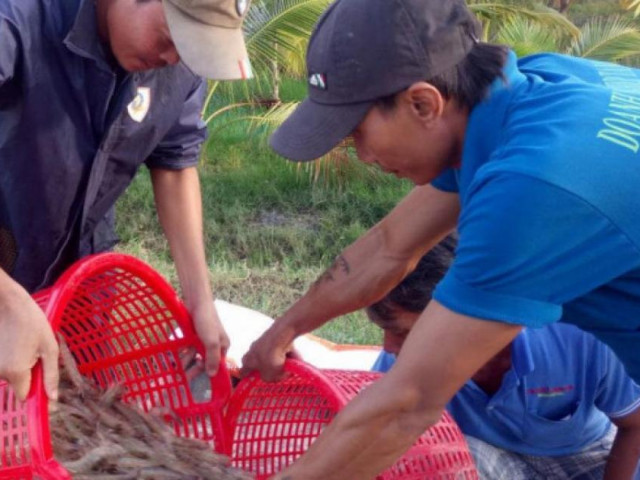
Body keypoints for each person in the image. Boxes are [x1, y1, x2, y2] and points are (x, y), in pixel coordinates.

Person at [239, 0, 640, 478]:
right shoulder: (539, 88)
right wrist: (283, 331)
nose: (362, 155)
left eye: (357, 133)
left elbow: (407, 405)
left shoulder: (535, 188)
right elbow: (390, 246)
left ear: (423, 103)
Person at [0, 0, 252, 402]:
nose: (173, 59)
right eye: (171, 38)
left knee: (75, 415)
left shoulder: (175, 64)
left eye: (189, 48)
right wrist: (6, 297)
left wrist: (200, 301)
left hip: (80, 274)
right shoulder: (18, 18)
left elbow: (174, 164)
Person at [368, 237, 640, 480]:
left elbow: (635, 426)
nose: (389, 346)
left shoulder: (578, 335)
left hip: (584, 454)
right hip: (493, 459)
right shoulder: (400, 363)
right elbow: (370, 431)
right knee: (436, 457)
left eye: (401, 332)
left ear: (458, 317)